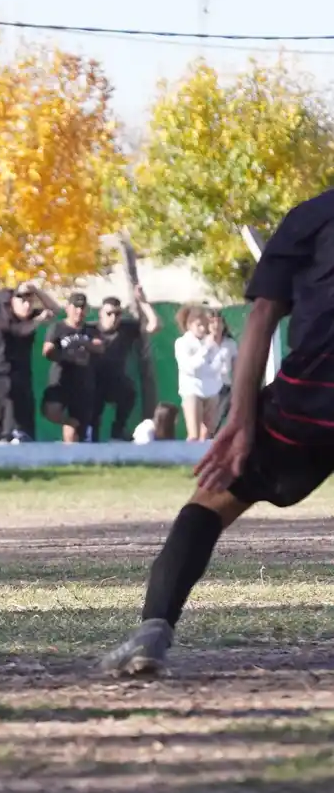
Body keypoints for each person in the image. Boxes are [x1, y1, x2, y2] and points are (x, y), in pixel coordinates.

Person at [100, 188, 334, 676]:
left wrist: (240, 419)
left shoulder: (311, 216)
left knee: (211, 502)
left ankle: (152, 630)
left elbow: (263, 316)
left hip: (310, 403)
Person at [0, 281, 59, 442]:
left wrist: (37, 290)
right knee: (1, 415)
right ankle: (0, 437)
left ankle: (23, 437)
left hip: (21, 375)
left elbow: (55, 310)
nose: (27, 305)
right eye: (22, 300)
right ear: (11, 302)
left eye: (29, 301)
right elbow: (20, 331)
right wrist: (38, 320)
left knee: (25, 410)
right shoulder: (2, 320)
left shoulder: (31, 316)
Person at [92, 286, 161, 441]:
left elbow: (154, 326)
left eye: (117, 313)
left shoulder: (126, 328)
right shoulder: (90, 329)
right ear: (101, 314)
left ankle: (118, 432)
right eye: (109, 313)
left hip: (116, 380)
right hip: (94, 380)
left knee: (128, 392)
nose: (113, 317)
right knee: (92, 408)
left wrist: (143, 302)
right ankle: (91, 439)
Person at [42, 293, 104, 442]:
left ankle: (72, 456)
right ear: (68, 308)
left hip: (83, 381)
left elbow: (100, 347)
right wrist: (58, 354)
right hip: (61, 378)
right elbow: (47, 350)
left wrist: (84, 342)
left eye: (82, 308)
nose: (79, 311)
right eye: (76, 307)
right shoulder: (57, 327)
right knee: (51, 410)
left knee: (78, 427)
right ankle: (69, 423)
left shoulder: (91, 330)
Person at [175, 306, 229, 441]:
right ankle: (188, 459)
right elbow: (191, 368)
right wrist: (205, 350)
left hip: (211, 390)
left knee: (208, 434)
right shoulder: (182, 343)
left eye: (205, 325)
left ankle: (205, 460)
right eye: (199, 325)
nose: (203, 329)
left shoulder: (210, 342)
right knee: (194, 434)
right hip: (192, 390)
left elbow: (216, 368)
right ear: (189, 325)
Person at [210, 311, 238, 432]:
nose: (216, 325)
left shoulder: (230, 343)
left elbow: (236, 365)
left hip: (225, 386)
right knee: (207, 424)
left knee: (218, 421)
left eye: (219, 321)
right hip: (208, 388)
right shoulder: (203, 342)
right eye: (212, 322)